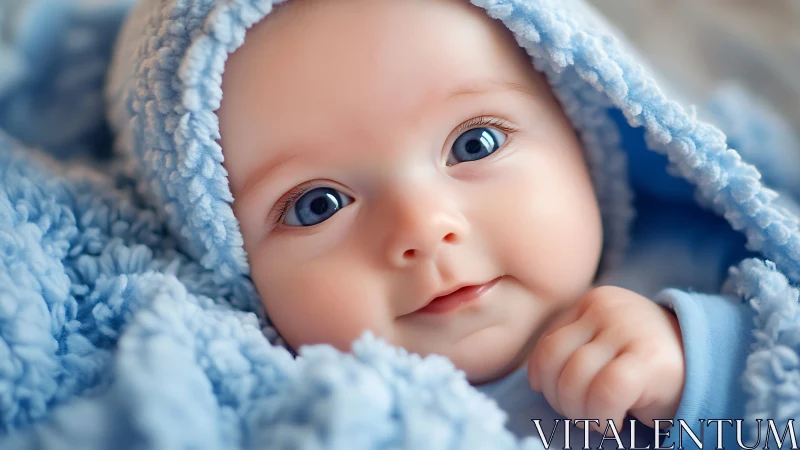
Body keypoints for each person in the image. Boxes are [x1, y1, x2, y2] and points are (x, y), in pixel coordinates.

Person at [207, 0, 755, 447]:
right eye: (318, 205)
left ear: (584, 131)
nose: (422, 229)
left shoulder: (708, 275)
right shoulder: (298, 419)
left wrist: (707, 374)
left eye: (475, 144)